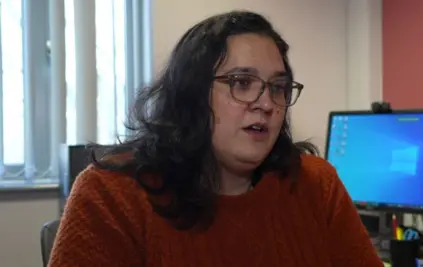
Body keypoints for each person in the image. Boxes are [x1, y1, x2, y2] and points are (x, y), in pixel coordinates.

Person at [49, 10, 384, 267]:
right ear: (192, 95)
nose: (266, 103)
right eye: (241, 82)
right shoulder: (111, 195)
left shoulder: (316, 184)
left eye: (278, 87)